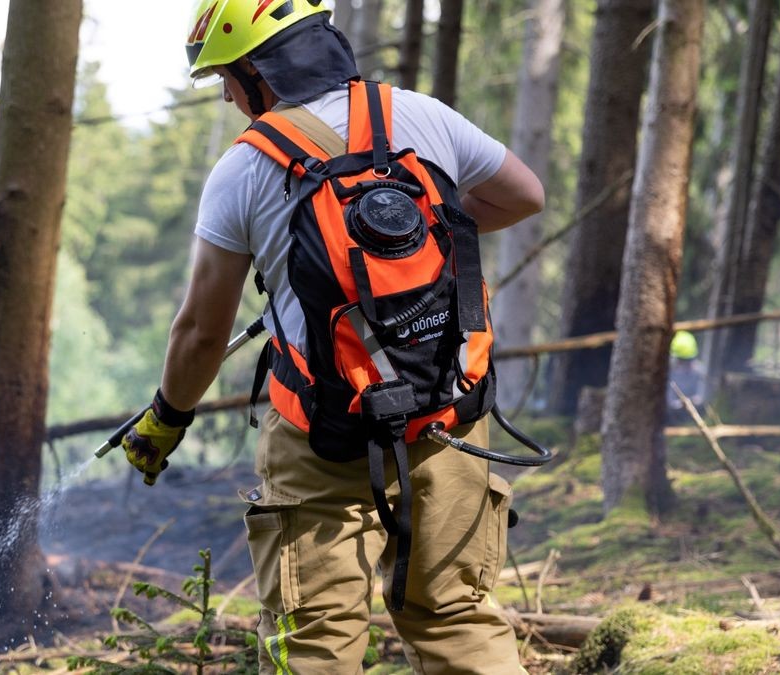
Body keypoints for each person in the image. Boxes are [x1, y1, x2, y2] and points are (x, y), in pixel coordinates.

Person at [121, 1, 544, 672]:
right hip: (449, 410)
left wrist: (166, 420)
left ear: (261, 71)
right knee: (458, 616)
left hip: (323, 433)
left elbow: (202, 331)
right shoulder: (421, 114)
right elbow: (525, 195)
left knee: (314, 639)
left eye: (229, 78)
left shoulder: (245, 168)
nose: (230, 98)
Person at [666, 330, 706, 422]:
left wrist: (692, 402)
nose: (685, 365)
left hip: (694, 417)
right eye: (682, 361)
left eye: (688, 361)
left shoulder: (699, 371)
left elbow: (701, 398)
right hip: (672, 417)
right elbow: (669, 401)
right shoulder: (669, 372)